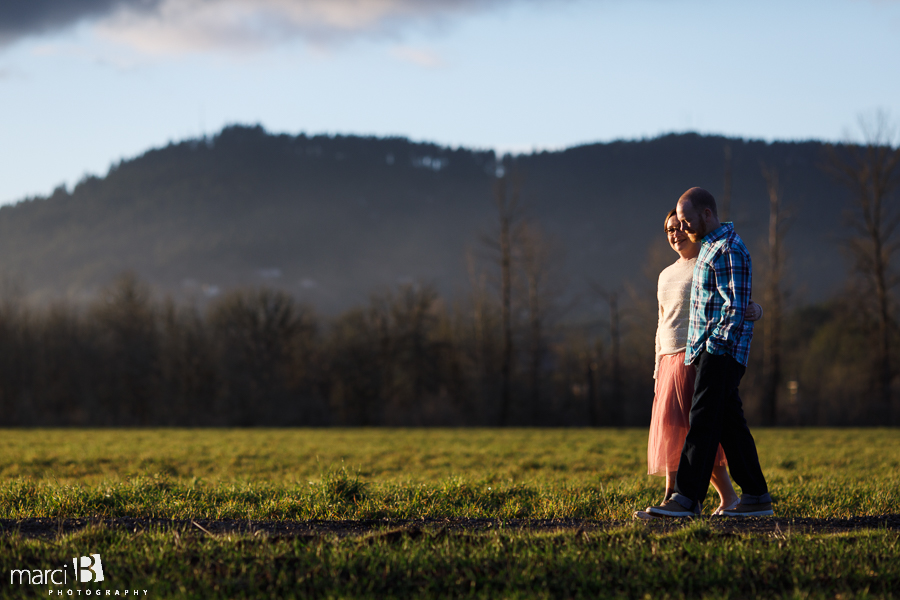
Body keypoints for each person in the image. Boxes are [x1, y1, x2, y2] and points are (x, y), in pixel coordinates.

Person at [647, 187, 773, 518]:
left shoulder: (729, 248)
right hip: (706, 351)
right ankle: (757, 496)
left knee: (701, 421)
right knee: (731, 426)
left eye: (687, 221)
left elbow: (734, 307)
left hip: (721, 351)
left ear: (706, 214)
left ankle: (685, 499)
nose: (683, 228)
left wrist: (711, 347)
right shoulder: (712, 248)